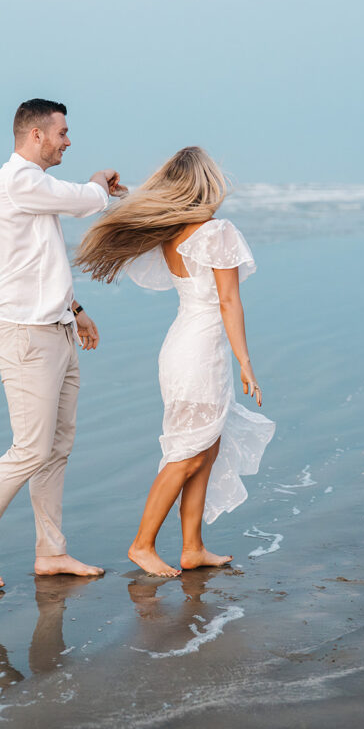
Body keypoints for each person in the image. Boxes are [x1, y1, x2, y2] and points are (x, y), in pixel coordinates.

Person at [75, 146, 275, 577]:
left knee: (205, 448)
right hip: (201, 351)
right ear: (206, 183)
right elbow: (227, 300)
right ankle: (142, 544)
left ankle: (192, 548)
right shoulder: (216, 232)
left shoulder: (175, 232)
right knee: (187, 453)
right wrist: (246, 360)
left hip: (185, 345)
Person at [0, 99, 126, 589]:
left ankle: (52, 553)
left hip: (56, 330)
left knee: (55, 448)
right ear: (35, 135)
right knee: (30, 448)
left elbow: (42, 262)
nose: (68, 141)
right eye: (62, 133)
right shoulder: (18, 180)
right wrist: (99, 181)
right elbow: (82, 200)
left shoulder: (33, 189)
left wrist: (76, 310)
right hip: (26, 338)